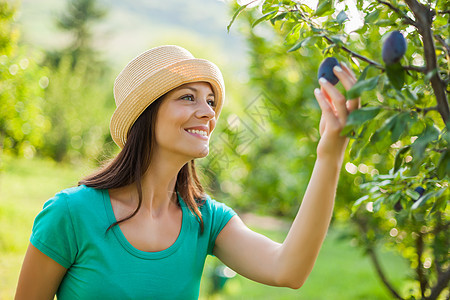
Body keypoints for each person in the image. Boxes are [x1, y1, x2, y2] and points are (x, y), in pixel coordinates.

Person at [15, 45, 359, 299]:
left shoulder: (205, 221)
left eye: (210, 102)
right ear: (146, 115)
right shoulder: (70, 214)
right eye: (188, 98)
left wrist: (330, 152)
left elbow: (289, 269)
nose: (208, 113)